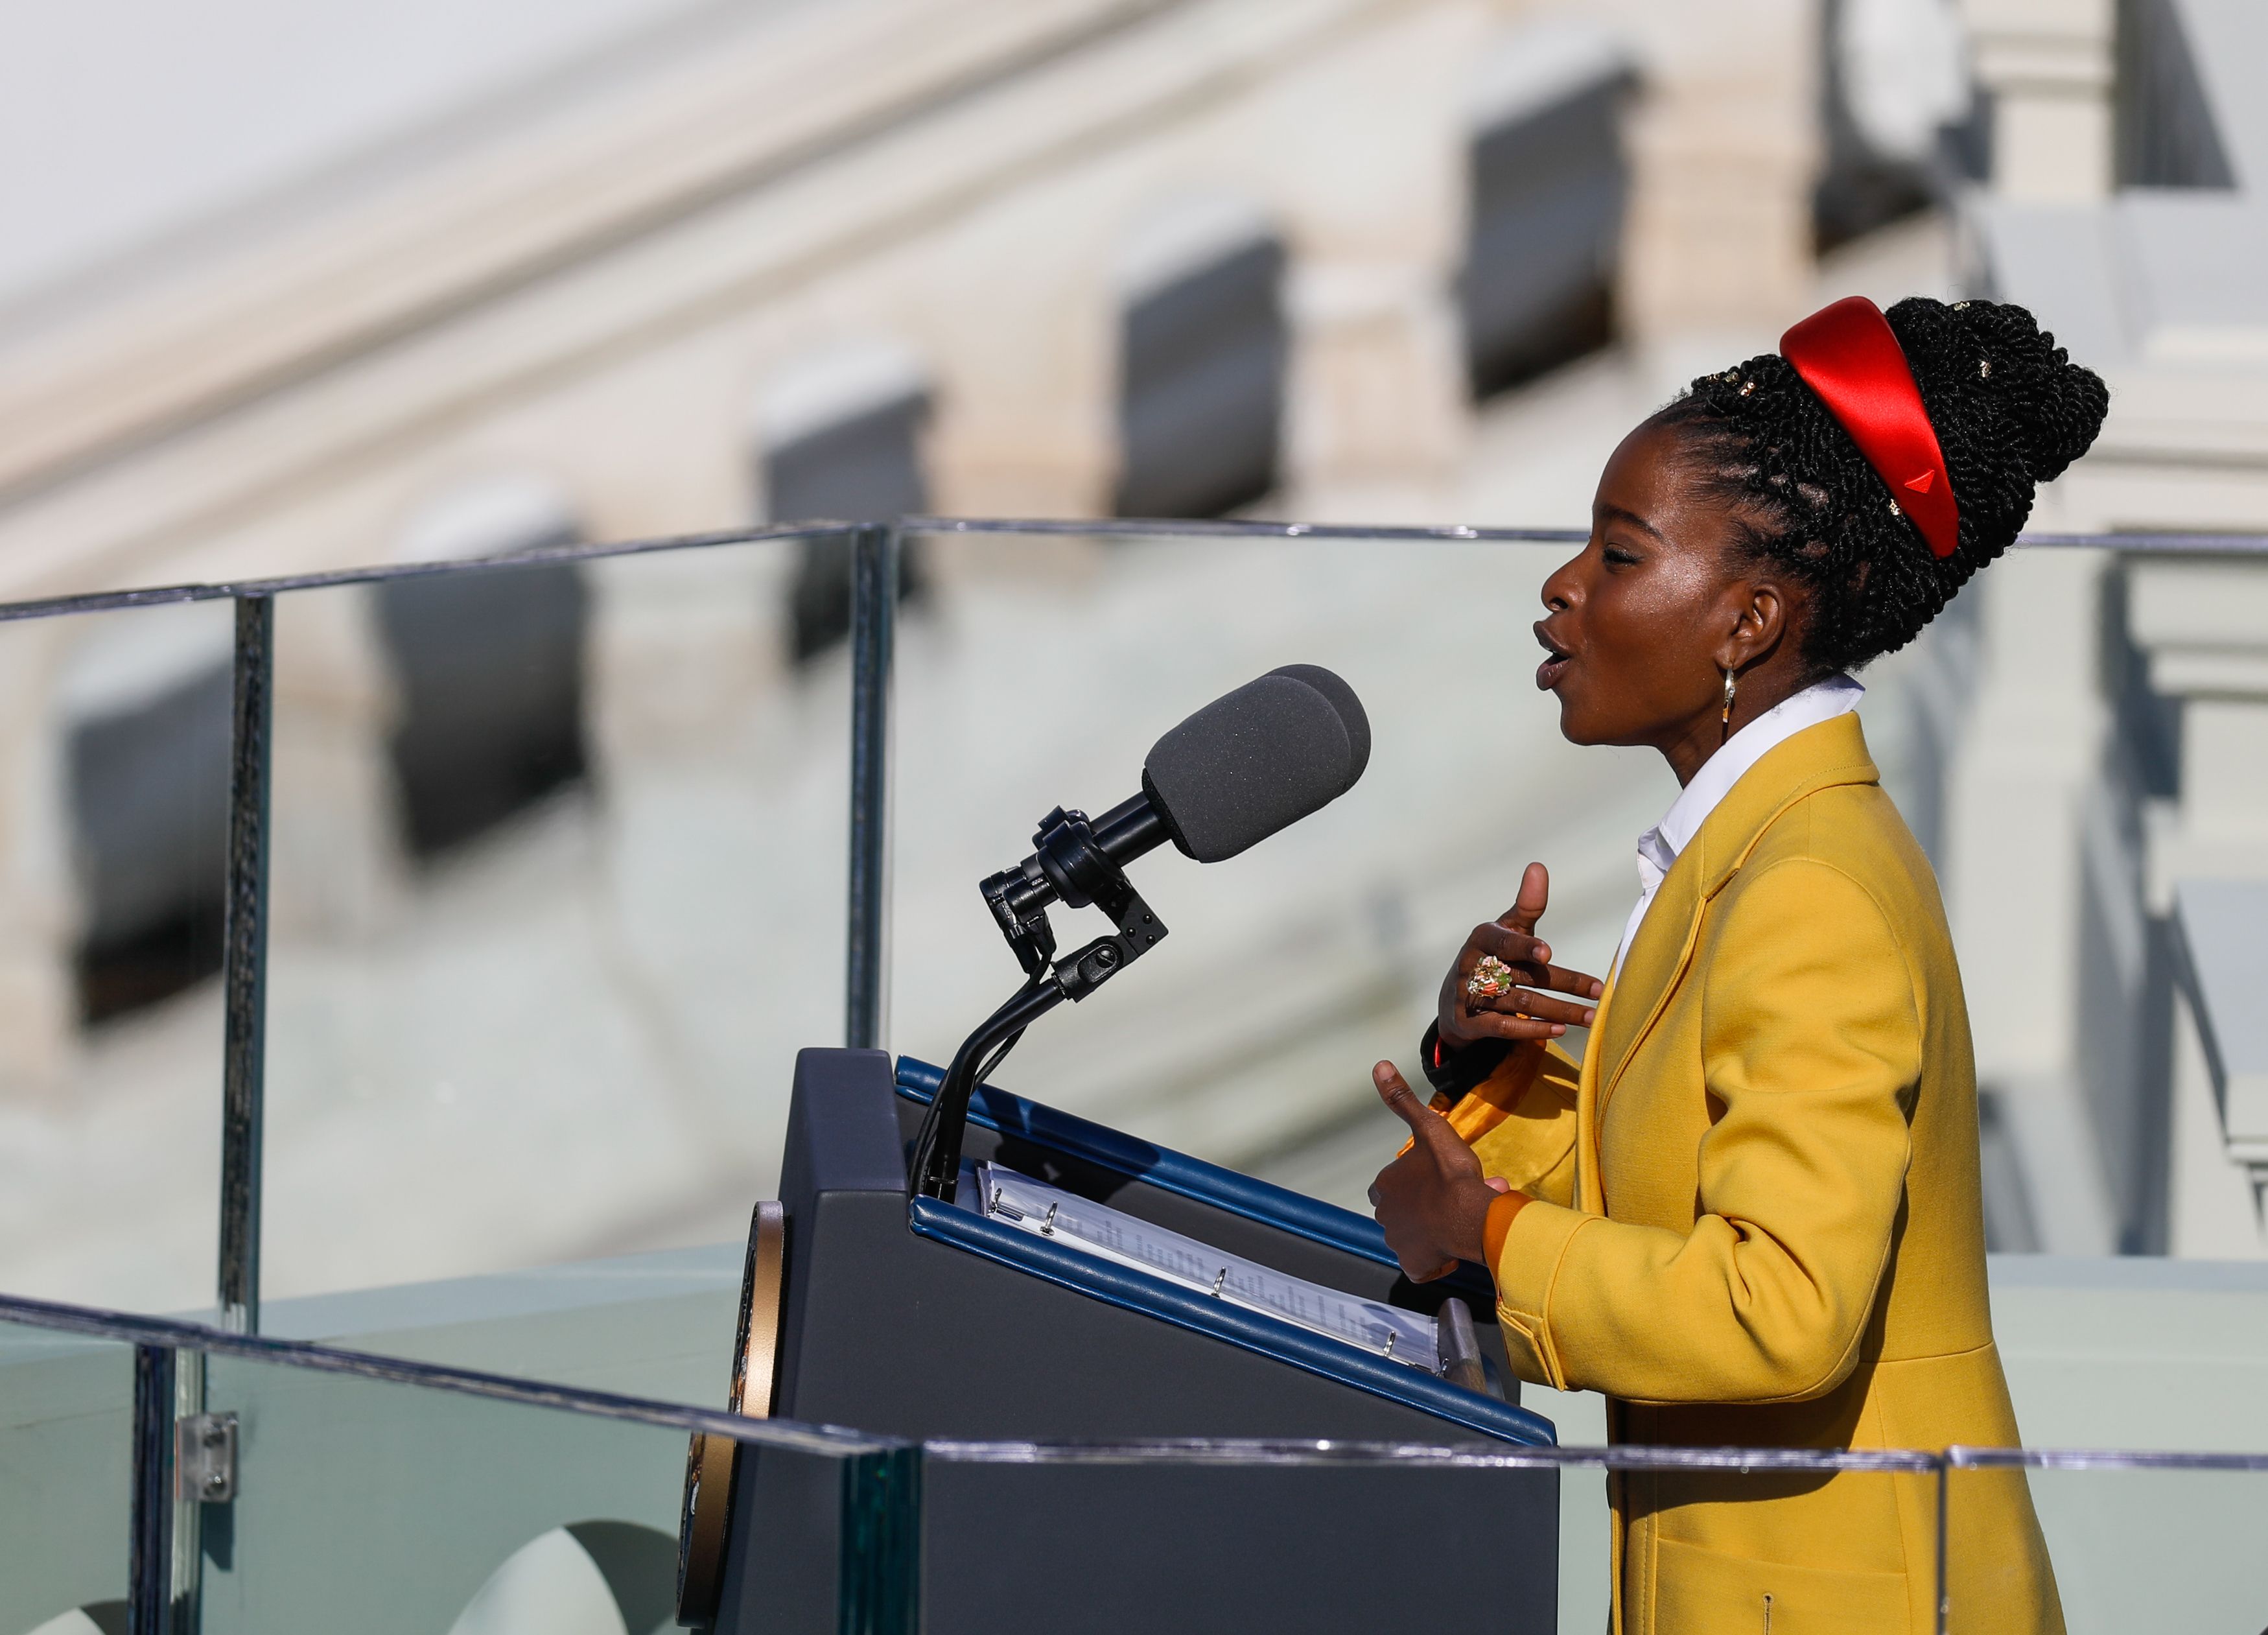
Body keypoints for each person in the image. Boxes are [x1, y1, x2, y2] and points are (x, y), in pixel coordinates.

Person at [1366, 294, 2107, 1634]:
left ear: (1746, 621)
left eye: (1618, 552)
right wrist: (1493, 1065)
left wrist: (1485, 1235)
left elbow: (1781, 1305)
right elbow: (1677, 1211)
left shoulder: (1807, 889)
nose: (1562, 587)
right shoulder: (1754, 854)